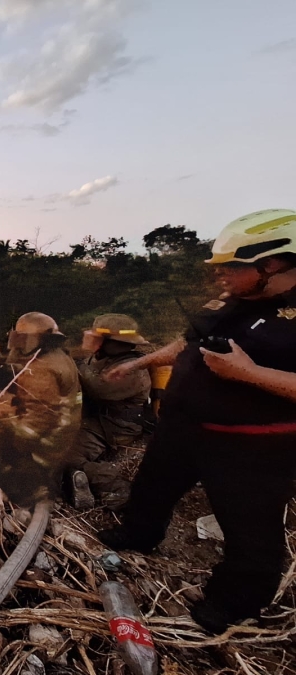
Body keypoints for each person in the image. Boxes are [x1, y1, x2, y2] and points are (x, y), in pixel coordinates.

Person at [98, 209, 296, 634]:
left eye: (232, 266)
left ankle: (233, 604)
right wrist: (138, 364)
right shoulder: (231, 299)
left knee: (250, 532)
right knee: (151, 487)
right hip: (182, 428)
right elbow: (188, 344)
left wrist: (249, 374)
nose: (220, 274)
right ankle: (139, 534)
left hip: (252, 446)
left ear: (273, 263)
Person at [0, 312, 82, 505]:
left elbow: (34, 426)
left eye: (24, 339)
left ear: (40, 340)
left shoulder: (42, 369)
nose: (18, 346)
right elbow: (42, 401)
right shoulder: (59, 357)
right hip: (66, 431)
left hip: (49, 446)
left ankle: (34, 488)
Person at [66, 314, 152, 510]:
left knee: (67, 456)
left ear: (109, 342)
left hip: (116, 427)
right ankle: (79, 480)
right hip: (98, 420)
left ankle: (117, 488)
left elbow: (98, 388)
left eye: (97, 338)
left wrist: (73, 363)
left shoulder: (132, 369)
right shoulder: (103, 359)